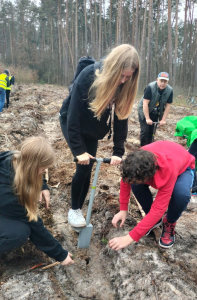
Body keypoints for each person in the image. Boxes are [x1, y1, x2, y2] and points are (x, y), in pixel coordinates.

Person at [0, 137, 74, 283]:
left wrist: (42, 186)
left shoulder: (13, 158)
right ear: (33, 167)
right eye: (43, 168)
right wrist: (60, 254)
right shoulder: (5, 192)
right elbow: (34, 224)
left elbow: (32, 172)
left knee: (16, 227)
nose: (45, 171)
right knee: (18, 233)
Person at [59, 44, 140, 229]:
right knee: (83, 165)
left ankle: (78, 207)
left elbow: (121, 119)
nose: (123, 80)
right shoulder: (88, 76)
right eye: (121, 75)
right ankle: (75, 209)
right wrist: (79, 151)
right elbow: (73, 116)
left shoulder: (125, 86)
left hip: (93, 126)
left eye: (128, 77)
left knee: (89, 166)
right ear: (112, 67)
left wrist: (118, 152)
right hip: (73, 121)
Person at [109, 141, 195, 251]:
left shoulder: (168, 170)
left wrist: (130, 237)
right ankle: (154, 220)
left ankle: (170, 221)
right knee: (136, 184)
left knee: (181, 194)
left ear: (149, 176)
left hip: (183, 167)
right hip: (163, 156)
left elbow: (159, 208)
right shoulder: (135, 163)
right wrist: (123, 209)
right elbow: (126, 181)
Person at [137, 72, 173, 146]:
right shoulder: (150, 87)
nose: (163, 83)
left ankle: (150, 148)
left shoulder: (170, 90)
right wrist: (147, 118)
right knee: (145, 131)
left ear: (167, 82)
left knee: (152, 132)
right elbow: (145, 103)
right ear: (157, 80)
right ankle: (143, 149)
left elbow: (168, 106)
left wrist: (163, 119)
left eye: (165, 81)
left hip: (156, 112)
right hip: (144, 110)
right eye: (161, 81)